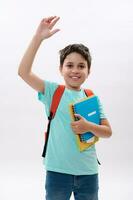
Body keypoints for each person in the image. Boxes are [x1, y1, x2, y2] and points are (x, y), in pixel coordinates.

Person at [18, 16, 112, 200]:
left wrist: (89, 127)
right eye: (69, 65)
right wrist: (38, 38)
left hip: (88, 173)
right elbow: (23, 72)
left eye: (81, 66)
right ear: (61, 69)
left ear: (88, 71)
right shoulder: (53, 92)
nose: (75, 70)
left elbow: (107, 132)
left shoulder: (91, 97)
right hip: (57, 173)